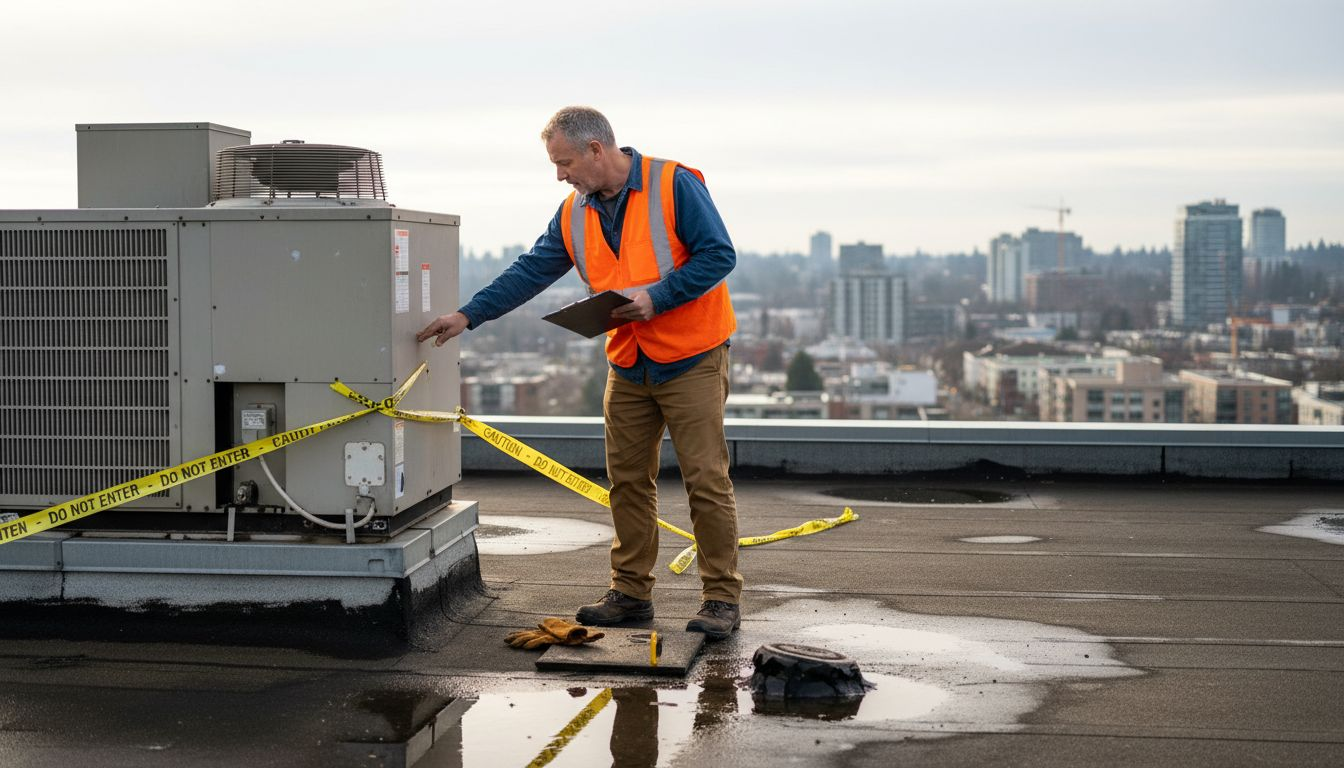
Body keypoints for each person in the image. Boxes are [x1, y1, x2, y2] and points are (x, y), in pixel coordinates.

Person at [416, 106, 743, 640]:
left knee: (705, 480)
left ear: (597, 149)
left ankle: (721, 599)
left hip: (691, 356)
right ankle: (631, 594)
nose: (560, 174)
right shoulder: (574, 212)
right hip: (629, 359)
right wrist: (468, 314)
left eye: (564, 162)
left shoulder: (673, 184)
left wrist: (657, 298)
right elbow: (531, 270)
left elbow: (718, 255)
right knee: (627, 482)